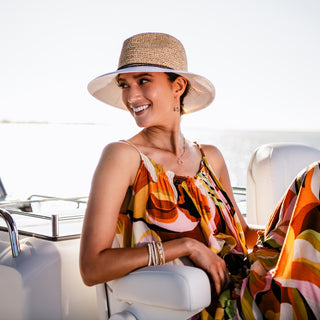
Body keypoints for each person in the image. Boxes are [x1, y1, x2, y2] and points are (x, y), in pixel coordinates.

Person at [80, 32, 320, 319]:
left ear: (178, 86)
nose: (131, 97)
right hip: (223, 304)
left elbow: (242, 235)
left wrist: (295, 229)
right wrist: (185, 246)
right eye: (124, 85)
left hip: (250, 279)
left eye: (143, 80)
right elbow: (92, 267)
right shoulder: (123, 156)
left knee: (314, 179)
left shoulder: (210, 158)